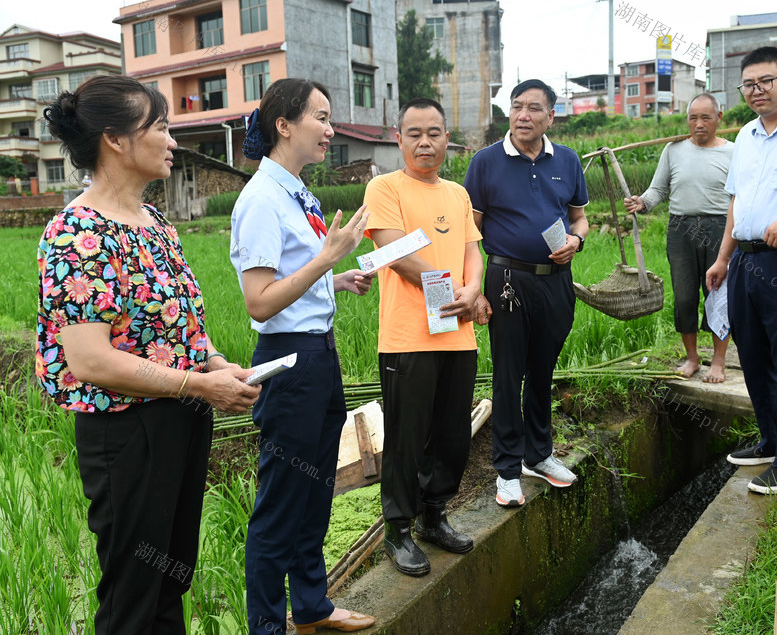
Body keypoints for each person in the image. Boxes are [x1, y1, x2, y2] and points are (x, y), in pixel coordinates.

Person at [36, 75, 261, 634]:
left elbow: (181, 320)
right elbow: (89, 361)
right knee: (133, 590)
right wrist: (198, 384)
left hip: (183, 413)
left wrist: (213, 363)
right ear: (115, 139)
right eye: (160, 127)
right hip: (127, 429)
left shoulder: (155, 223)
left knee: (171, 576)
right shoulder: (75, 233)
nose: (171, 140)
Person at [231, 78, 375, 635]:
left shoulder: (297, 191)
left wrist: (337, 279)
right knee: (281, 503)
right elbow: (261, 302)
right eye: (321, 116)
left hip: (320, 356)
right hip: (288, 364)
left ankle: (313, 605)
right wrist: (327, 260)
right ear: (284, 125)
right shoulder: (261, 200)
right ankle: (267, 626)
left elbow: (295, 277)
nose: (330, 129)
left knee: (316, 491)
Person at [362, 98, 485, 576]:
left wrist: (472, 287)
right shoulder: (384, 187)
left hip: (458, 335)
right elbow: (393, 250)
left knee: (452, 435)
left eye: (434, 132)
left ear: (447, 137)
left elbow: (473, 250)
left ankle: (435, 515)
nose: (425, 142)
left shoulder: (457, 194)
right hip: (407, 338)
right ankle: (398, 529)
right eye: (414, 133)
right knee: (406, 439)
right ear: (398, 138)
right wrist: (450, 287)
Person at [464, 79, 589, 507]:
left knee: (542, 373)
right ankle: (507, 468)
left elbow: (579, 219)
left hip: (556, 281)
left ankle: (540, 455)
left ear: (550, 116)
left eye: (534, 108)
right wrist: (475, 289)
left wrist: (577, 241)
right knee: (508, 374)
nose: (523, 115)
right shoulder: (485, 162)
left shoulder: (568, 161)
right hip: (508, 281)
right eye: (517, 107)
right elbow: (470, 233)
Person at [704, 47, 777, 495]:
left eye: (765, 81)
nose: (756, 91)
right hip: (746, 261)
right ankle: (771, 440)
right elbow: (737, 201)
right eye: (748, 84)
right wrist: (723, 258)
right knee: (751, 353)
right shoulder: (747, 135)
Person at [625, 92, 733, 383]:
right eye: (693, 118)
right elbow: (658, 189)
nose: (699, 123)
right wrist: (642, 202)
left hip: (719, 229)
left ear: (718, 118)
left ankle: (719, 361)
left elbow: (740, 196)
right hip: (681, 230)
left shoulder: (732, 152)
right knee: (685, 297)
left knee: (717, 296)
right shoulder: (673, 150)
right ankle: (692, 358)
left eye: (705, 117)